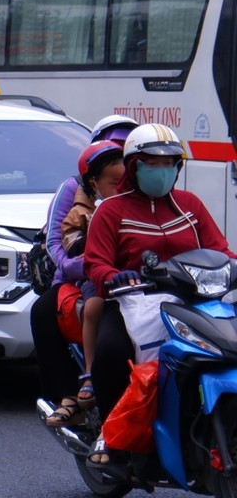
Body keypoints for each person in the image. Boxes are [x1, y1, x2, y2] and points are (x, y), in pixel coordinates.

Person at [84, 123, 237, 465]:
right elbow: (95, 264)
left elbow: (220, 249)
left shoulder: (189, 205)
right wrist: (114, 275)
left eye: (169, 163)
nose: (162, 170)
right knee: (111, 353)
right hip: (130, 304)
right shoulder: (111, 211)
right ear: (135, 166)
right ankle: (110, 435)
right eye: (152, 163)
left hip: (193, 302)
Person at [29, 113, 138, 411]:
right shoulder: (73, 192)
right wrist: (83, 266)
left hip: (133, 279)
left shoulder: (144, 195)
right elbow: (55, 242)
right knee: (43, 311)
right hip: (80, 277)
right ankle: (69, 394)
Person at [43, 140, 124, 428]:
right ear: (93, 181)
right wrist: (89, 253)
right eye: (114, 180)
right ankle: (90, 376)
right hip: (98, 278)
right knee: (94, 308)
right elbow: (64, 239)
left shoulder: (144, 204)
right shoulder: (85, 209)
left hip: (139, 281)